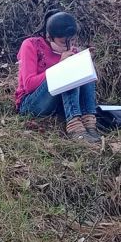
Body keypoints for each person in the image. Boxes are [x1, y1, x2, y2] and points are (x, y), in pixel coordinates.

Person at [16, 10, 99, 143]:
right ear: (49, 37)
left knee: (83, 66)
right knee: (67, 70)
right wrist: (59, 66)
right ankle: (75, 128)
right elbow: (29, 85)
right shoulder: (31, 45)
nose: (69, 46)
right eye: (63, 42)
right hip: (31, 103)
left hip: (58, 105)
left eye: (72, 40)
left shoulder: (71, 50)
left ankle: (89, 123)